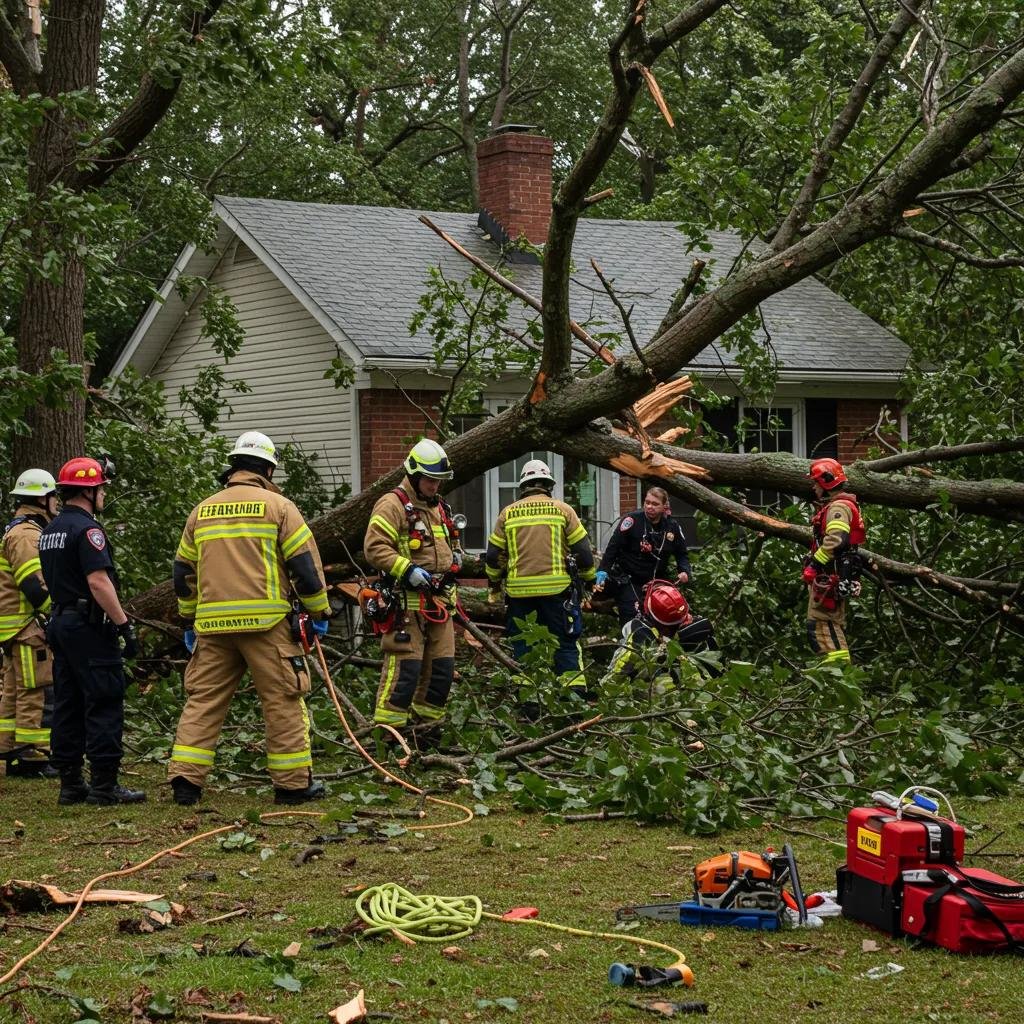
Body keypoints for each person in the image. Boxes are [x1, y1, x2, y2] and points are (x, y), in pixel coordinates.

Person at [168, 431, 332, 806]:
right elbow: (305, 568)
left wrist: (189, 620)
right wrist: (318, 611)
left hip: (212, 629)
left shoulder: (202, 511)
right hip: (268, 626)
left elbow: (182, 574)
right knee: (283, 700)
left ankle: (185, 782)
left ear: (234, 467)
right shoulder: (279, 507)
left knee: (203, 700)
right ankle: (292, 786)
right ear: (268, 470)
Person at [40, 456, 145, 806]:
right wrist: (124, 626)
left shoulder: (50, 531)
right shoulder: (89, 530)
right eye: (101, 488)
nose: (103, 495)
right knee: (104, 699)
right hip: (87, 627)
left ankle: (70, 782)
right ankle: (104, 785)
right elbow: (98, 582)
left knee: (68, 702)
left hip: (60, 623)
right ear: (89, 491)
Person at [363, 439, 459, 734]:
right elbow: (374, 547)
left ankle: (425, 731)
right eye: (430, 480)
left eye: (439, 481)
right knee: (406, 673)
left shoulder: (439, 507)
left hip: (439, 604)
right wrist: (408, 569)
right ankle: (388, 736)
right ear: (415, 475)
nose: (435, 486)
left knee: (441, 673)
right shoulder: (392, 504)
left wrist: (456, 558)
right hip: (406, 605)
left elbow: (449, 544)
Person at [485, 459, 596, 700]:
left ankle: (529, 703)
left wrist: (494, 584)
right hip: (558, 594)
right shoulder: (563, 511)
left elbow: (493, 556)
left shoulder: (508, 514)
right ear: (549, 485)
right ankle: (573, 701)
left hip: (520, 596)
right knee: (566, 644)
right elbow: (584, 554)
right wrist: (589, 582)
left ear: (523, 487)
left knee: (523, 647)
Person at [0, 470, 58, 777]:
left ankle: (9, 749)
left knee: (14, 688)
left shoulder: (19, 530)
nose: (57, 503)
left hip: (14, 626)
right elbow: (34, 585)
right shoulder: (26, 535)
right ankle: (32, 756)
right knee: (35, 688)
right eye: (54, 497)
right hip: (26, 625)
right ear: (42, 499)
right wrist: (56, 612)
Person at [595, 486, 693, 625]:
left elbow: (681, 553)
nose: (649, 507)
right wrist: (603, 570)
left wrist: (684, 571)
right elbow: (613, 547)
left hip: (657, 582)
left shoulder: (672, 526)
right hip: (629, 580)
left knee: (661, 618)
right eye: (647, 502)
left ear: (664, 506)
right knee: (633, 618)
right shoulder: (632, 520)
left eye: (655, 504)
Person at [803, 458, 866, 665]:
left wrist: (814, 565)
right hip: (831, 577)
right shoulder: (837, 505)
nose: (813, 486)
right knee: (820, 629)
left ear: (826, 481)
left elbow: (836, 540)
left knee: (824, 627)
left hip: (829, 576)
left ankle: (841, 678)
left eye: (815, 482)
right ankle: (835, 677)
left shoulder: (838, 508)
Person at [601, 582, 705, 688]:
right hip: (664, 688)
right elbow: (615, 677)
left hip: (670, 687)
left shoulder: (644, 635)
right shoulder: (641, 639)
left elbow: (617, 674)